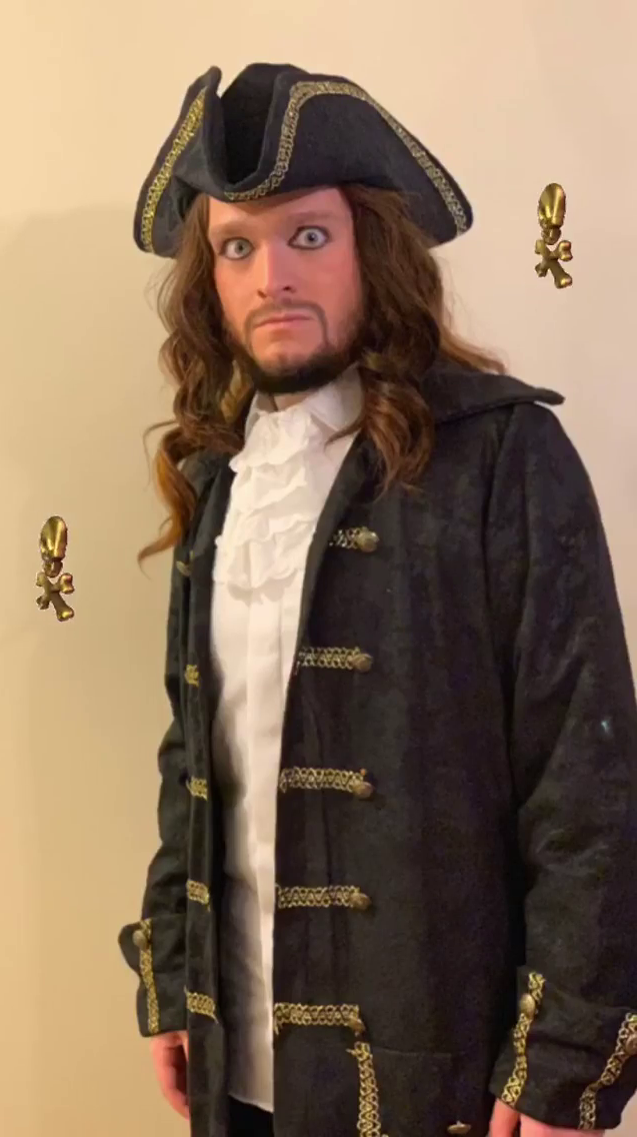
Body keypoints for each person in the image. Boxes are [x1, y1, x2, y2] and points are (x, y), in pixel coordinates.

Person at [118, 62, 637, 1137]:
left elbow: (586, 785)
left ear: (372, 247)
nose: (271, 277)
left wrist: (562, 1064)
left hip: (437, 1065)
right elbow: (193, 756)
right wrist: (173, 970)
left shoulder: (503, 457)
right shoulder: (219, 479)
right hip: (235, 1052)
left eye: (307, 235)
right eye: (237, 247)